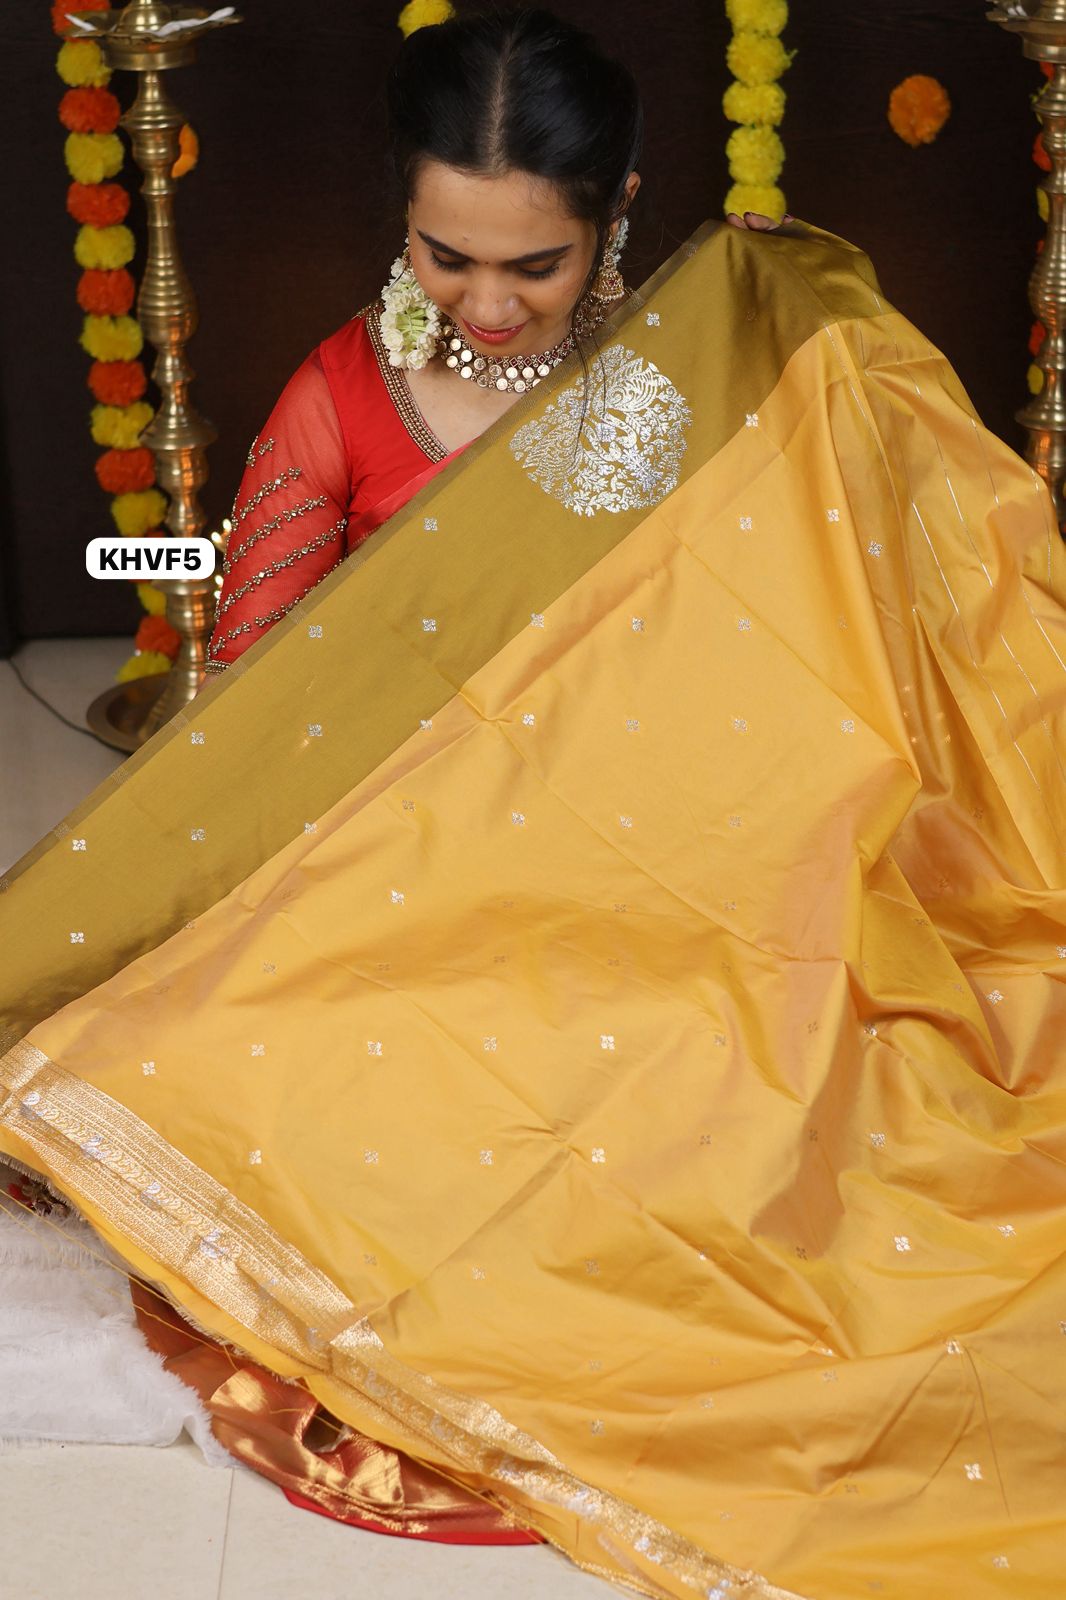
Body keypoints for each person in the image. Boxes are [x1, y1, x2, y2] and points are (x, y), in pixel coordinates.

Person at [2, 8, 1065, 1599]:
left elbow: (774, 651)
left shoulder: (694, 385)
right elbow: (262, 704)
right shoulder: (339, 395)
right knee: (192, 1069)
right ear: (402, 213)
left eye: (537, 266)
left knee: (744, 1094)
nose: (488, 306)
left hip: (655, 868)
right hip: (388, 863)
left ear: (616, 213)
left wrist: (790, 311)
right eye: (447, 258)